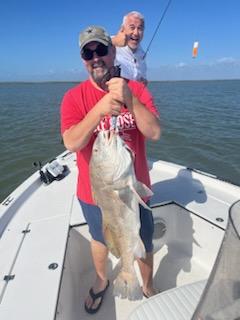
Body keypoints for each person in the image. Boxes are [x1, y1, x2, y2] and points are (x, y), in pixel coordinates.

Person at [60, 25, 161, 314]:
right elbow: (71, 142)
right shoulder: (73, 98)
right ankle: (103, 279)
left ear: (113, 51)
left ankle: (147, 284)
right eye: (88, 53)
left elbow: (154, 132)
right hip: (94, 194)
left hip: (134, 190)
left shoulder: (137, 89)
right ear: (83, 60)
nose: (96, 58)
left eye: (101, 50)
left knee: (143, 239)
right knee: (99, 239)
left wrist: (130, 98)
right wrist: (100, 109)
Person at [112, 11, 147, 84]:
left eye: (140, 28)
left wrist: (142, 83)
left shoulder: (142, 53)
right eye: (132, 27)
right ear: (122, 29)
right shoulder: (110, 43)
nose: (136, 33)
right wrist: (114, 41)